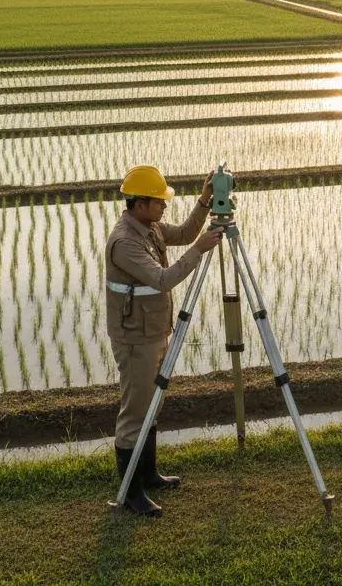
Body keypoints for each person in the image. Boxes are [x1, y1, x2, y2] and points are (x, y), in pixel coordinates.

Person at [105, 164, 222, 517]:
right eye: (159, 202)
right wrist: (201, 249)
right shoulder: (125, 241)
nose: (164, 208)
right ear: (139, 204)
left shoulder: (148, 226)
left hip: (153, 330)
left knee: (151, 405)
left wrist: (204, 201)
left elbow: (186, 232)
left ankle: (149, 474)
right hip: (135, 337)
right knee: (135, 412)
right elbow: (162, 279)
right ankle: (130, 493)